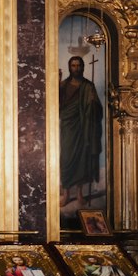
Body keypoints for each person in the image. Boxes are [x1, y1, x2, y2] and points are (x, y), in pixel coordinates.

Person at [59, 55, 103, 208]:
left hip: (83, 128)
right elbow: (56, 105)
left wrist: (92, 104)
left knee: (81, 161)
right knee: (66, 159)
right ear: (69, 67)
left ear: (83, 67)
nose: (76, 68)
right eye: (73, 65)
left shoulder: (88, 86)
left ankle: (78, 194)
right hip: (67, 127)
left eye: (79, 65)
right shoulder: (63, 85)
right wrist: (56, 84)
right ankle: (66, 194)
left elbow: (98, 109)